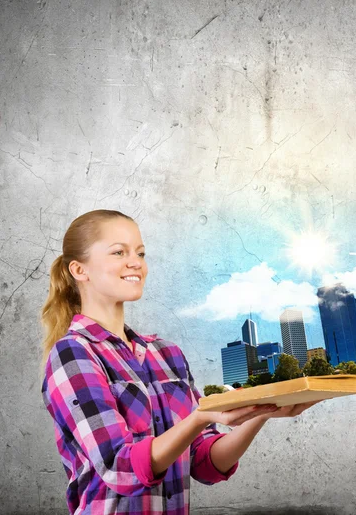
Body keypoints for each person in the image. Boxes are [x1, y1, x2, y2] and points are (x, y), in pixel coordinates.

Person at [40, 209, 320, 514]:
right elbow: (119, 467)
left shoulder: (167, 353)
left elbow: (203, 462)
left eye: (140, 253)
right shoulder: (73, 354)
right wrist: (199, 416)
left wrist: (261, 413)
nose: (136, 262)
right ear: (80, 270)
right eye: (119, 252)